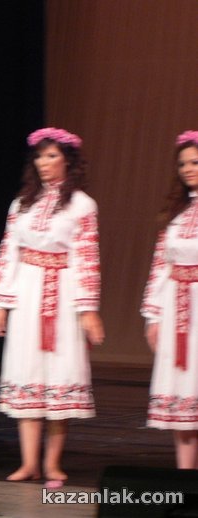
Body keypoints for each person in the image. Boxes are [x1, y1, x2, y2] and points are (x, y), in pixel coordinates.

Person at [0, 127, 104, 484]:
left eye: (52, 156)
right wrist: (0, 303)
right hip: (27, 292)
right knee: (28, 373)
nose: (44, 162)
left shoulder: (82, 204)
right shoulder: (21, 204)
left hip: (64, 295)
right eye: (39, 156)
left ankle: (52, 463)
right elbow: (8, 253)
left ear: (68, 161)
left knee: (59, 374)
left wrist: (88, 310)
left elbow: (87, 259)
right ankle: (28, 463)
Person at [142, 130, 198, 470]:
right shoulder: (177, 213)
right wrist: (154, 315)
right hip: (177, 307)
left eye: (195, 162)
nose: (188, 169)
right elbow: (161, 267)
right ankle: (185, 473)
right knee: (183, 388)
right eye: (183, 164)